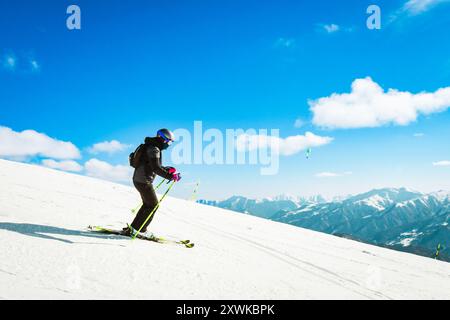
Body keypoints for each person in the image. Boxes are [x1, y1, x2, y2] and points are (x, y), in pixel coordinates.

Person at [123, 128, 181, 236]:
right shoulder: (154, 149)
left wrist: (168, 170)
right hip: (143, 181)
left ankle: (134, 228)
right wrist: (171, 176)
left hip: (140, 180)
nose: (169, 145)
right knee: (153, 205)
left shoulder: (151, 146)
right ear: (163, 139)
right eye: (169, 142)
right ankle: (140, 230)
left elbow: (153, 165)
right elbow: (156, 168)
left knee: (148, 205)